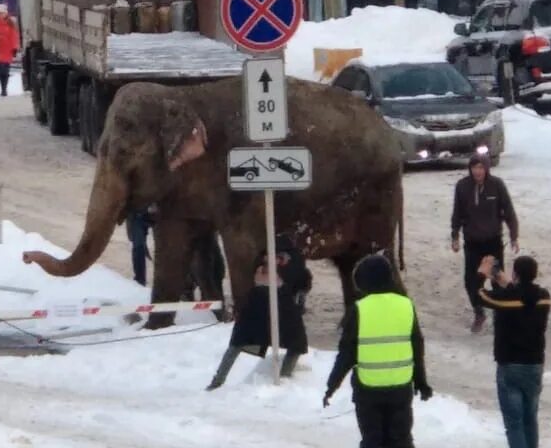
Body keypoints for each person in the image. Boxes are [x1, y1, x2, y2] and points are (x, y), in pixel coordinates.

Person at [325, 253, 433, 448]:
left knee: (372, 440)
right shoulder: (405, 305)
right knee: (401, 440)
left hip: (369, 389)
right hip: (401, 387)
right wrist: (421, 382)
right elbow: (417, 346)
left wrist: (332, 385)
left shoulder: (359, 309)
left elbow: (347, 354)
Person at [206, 235, 311, 390]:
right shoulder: (294, 258)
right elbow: (303, 281)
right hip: (282, 305)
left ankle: (218, 380)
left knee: (237, 343)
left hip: (258, 304)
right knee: (297, 344)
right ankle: (284, 378)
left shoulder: (262, 255)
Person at [477, 254, 551, 448]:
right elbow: (521, 297)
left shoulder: (506, 299)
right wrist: (505, 281)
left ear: (515, 273)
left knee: (514, 424)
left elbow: (480, 295)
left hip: (510, 365)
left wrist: (482, 274)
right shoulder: (544, 298)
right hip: (535, 365)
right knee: (530, 420)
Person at [452, 153, 519, 334]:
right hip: (472, 243)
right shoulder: (462, 187)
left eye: (481, 168)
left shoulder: (496, 185)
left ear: (487, 169)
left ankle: (502, 316)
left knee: (498, 280)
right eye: (474, 167)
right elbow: (457, 213)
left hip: (492, 242)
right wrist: (455, 236)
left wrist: (514, 236)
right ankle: (479, 312)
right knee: (471, 281)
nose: (477, 171)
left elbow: (509, 212)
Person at [126, 207, 153, 286]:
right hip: (138, 214)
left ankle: (140, 279)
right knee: (138, 246)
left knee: (138, 247)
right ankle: (140, 279)